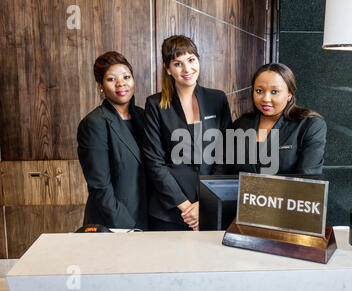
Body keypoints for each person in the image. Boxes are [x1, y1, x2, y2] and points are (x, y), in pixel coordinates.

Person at [143, 35, 232, 231]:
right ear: (167, 69)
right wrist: (185, 207)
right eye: (177, 63)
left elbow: (225, 154)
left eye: (191, 60)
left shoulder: (217, 99)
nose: (187, 69)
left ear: (198, 60)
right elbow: (154, 162)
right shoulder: (155, 104)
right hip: (168, 211)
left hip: (209, 207)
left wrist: (205, 203)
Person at [77, 51, 149, 230]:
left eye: (126, 76)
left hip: (147, 219)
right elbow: (100, 187)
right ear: (100, 86)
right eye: (111, 79)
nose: (121, 83)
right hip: (115, 224)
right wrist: (128, 228)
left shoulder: (144, 116)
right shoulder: (94, 124)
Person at [233, 63, 326, 175]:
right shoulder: (240, 124)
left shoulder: (310, 125)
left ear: (289, 94)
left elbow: (308, 178)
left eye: (274, 92)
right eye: (259, 91)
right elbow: (227, 172)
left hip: (290, 192)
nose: (266, 99)